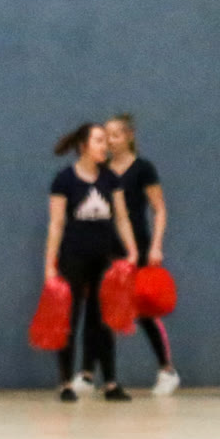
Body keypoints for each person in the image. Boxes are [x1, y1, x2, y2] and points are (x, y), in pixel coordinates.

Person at [45, 123, 140, 402]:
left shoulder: (110, 178)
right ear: (83, 146)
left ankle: (110, 383)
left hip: (104, 259)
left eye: (105, 141)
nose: (105, 146)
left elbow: (121, 217)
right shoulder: (64, 180)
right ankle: (65, 383)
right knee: (69, 319)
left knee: (103, 321)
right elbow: (56, 224)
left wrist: (132, 250)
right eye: (99, 140)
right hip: (73, 258)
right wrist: (50, 265)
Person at [104, 114, 179, 395]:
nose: (111, 141)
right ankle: (105, 378)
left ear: (129, 136)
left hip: (139, 247)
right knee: (106, 313)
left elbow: (159, 209)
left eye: (116, 135)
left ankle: (167, 369)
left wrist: (156, 245)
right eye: (106, 136)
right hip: (109, 248)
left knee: (145, 312)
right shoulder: (102, 171)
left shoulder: (143, 168)